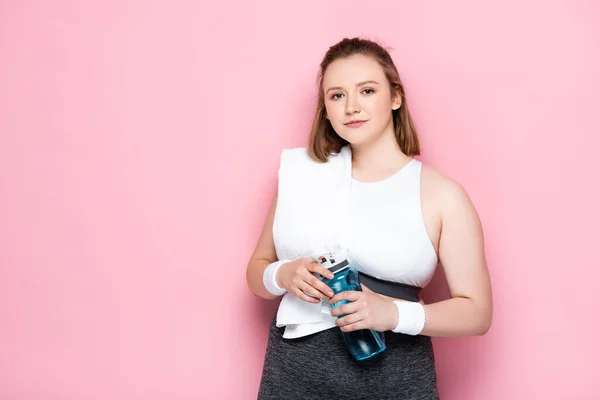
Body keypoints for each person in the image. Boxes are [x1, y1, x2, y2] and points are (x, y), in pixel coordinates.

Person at [246, 37, 493, 400]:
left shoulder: (443, 196)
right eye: (337, 95)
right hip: (295, 374)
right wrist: (282, 273)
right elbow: (257, 271)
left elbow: (477, 313)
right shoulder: (301, 176)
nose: (351, 107)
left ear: (395, 97)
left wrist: (393, 313)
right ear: (325, 110)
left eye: (366, 90)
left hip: (396, 379)